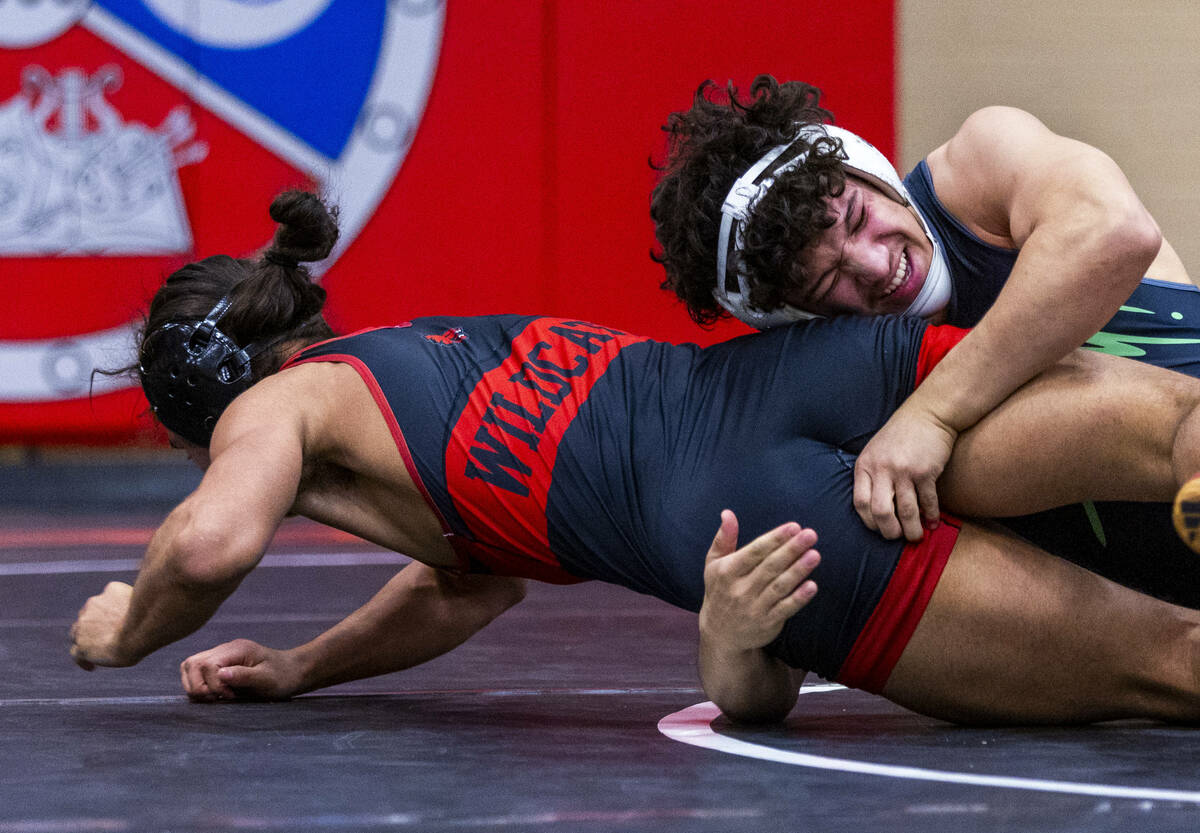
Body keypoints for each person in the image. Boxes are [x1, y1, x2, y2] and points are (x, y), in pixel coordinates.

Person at [69, 190, 1200, 726]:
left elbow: (209, 543)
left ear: (205, 412)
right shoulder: (424, 359)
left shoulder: (281, 405)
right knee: (1180, 428)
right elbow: (471, 580)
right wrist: (306, 665)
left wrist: (127, 622)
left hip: (744, 512)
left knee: (1174, 661)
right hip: (807, 376)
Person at [650, 76, 1200, 557]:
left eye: (859, 217)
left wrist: (933, 414)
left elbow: (1116, 233)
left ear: (867, 169)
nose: (874, 263)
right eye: (828, 280)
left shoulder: (979, 168)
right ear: (795, 318)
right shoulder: (834, 387)